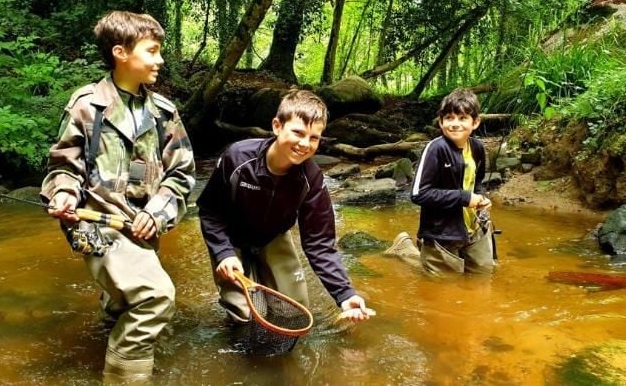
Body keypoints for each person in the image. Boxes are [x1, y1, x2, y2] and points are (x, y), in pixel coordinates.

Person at [40, 11, 195, 382]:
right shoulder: (86, 105)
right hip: (95, 227)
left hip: (143, 229)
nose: (160, 59)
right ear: (120, 53)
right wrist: (62, 195)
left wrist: (157, 213)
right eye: (152, 50)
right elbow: (63, 167)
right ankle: (124, 378)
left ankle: (106, 343)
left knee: (123, 305)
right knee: (155, 298)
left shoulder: (163, 112)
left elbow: (183, 174)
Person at [197, 90, 372, 333]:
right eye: (298, 133)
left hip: (273, 236)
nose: (304, 144)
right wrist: (223, 252)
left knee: (293, 314)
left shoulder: (311, 179)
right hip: (230, 237)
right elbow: (209, 210)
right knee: (245, 316)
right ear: (277, 126)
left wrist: (345, 294)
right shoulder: (236, 158)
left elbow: (319, 243)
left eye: (314, 138)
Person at [393, 88, 495, 275]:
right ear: (441, 122)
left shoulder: (478, 148)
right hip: (441, 235)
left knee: (483, 278)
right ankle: (405, 249)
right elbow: (418, 194)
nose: (455, 124)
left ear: (476, 122)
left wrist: (482, 198)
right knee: (443, 289)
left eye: (463, 118)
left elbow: (477, 182)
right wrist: (463, 198)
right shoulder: (435, 149)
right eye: (449, 118)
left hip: (473, 230)